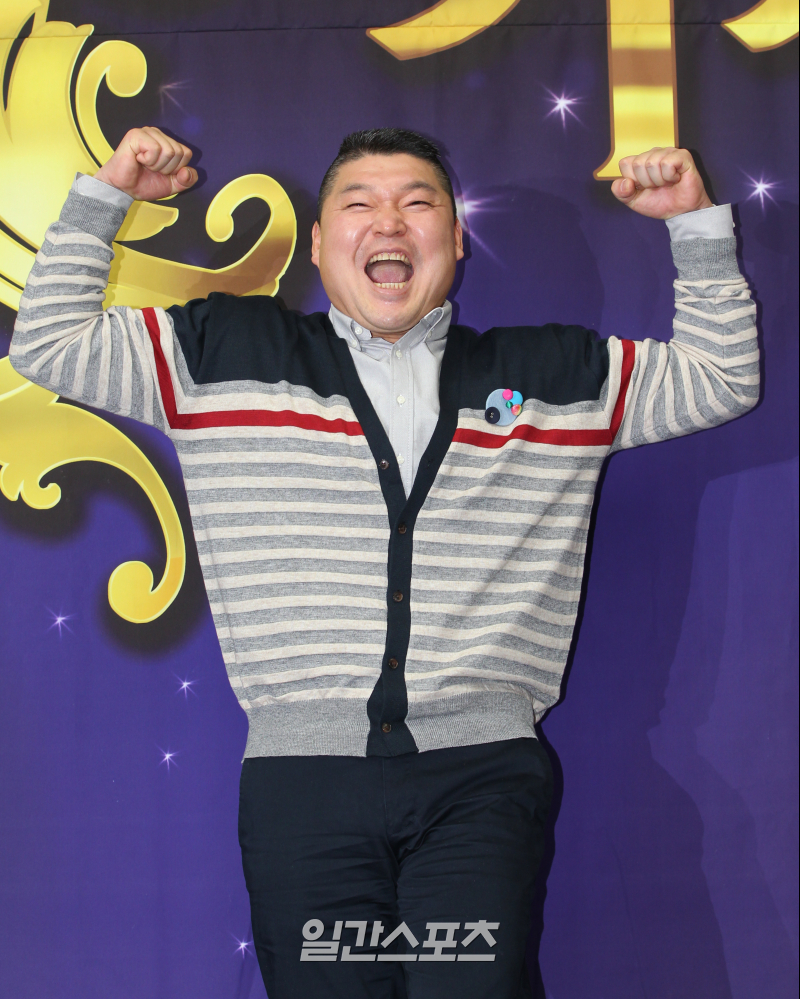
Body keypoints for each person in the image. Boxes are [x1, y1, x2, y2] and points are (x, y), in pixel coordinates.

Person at [10, 126, 758, 998]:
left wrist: (692, 223)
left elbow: (721, 378)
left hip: (482, 783)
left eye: (417, 202)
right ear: (318, 243)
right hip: (302, 789)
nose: (389, 222)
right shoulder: (219, 353)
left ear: (457, 238)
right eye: (358, 203)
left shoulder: (556, 374)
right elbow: (50, 345)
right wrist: (107, 195)